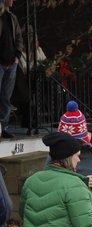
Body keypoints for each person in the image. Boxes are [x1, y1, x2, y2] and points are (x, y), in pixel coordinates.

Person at [0, 0, 22, 140]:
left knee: (6, 97)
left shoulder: (12, 17)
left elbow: (18, 37)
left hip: (11, 63)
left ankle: (4, 126)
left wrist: (18, 55)